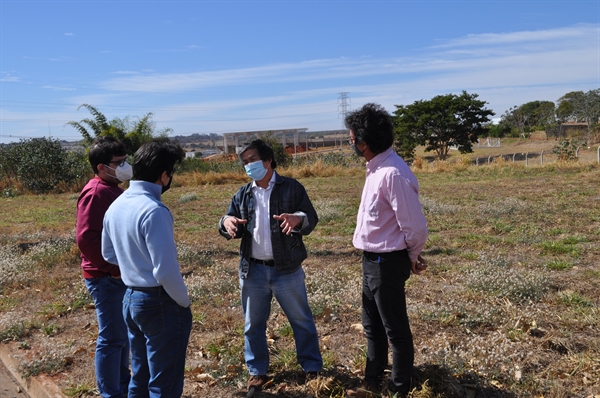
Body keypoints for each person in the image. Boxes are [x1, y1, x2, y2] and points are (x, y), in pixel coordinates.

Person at [218, 139, 323, 393]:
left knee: (301, 320)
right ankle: (257, 371)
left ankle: (311, 368)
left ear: (268, 160)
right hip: (252, 270)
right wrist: (227, 223)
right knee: (253, 324)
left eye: (252, 160)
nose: (248, 166)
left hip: (286, 269)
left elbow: (311, 218)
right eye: (245, 163)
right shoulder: (243, 194)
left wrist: (297, 219)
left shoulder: (292, 188)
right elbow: (228, 219)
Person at [344, 103, 428, 398]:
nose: (351, 143)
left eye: (351, 138)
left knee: (395, 331)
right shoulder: (376, 168)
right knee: (372, 326)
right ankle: (372, 381)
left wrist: (412, 255)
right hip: (371, 262)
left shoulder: (392, 174)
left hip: (387, 262)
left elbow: (415, 226)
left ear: (363, 143)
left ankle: (398, 389)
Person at [102, 139, 192, 398]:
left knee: (140, 377)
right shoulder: (154, 210)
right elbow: (165, 271)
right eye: (170, 174)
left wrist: (132, 263)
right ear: (164, 176)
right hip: (159, 301)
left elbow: (108, 253)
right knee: (164, 382)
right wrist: (183, 302)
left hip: (130, 298)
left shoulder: (117, 204)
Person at [76, 137, 132, 398]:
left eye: (124, 161)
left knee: (121, 337)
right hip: (105, 277)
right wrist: (111, 269)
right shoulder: (97, 192)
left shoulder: (112, 189)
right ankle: (111, 392)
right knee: (112, 338)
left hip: (114, 275)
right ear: (101, 167)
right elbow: (86, 238)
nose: (124, 166)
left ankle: (121, 383)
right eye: (118, 163)